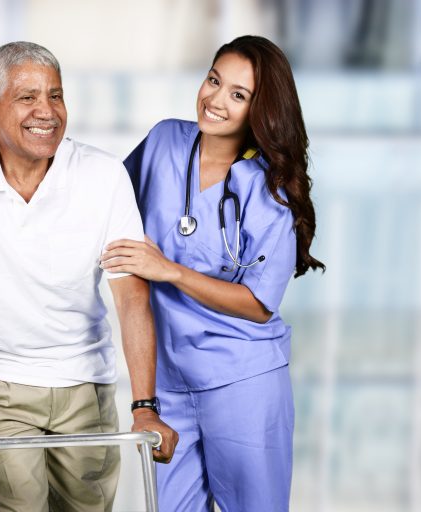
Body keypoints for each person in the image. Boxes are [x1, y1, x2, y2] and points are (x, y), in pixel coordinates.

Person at [0, 41, 177, 512]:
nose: (46, 111)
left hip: (85, 385)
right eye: (27, 97)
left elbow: (132, 299)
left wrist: (144, 407)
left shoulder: (103, 175)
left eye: (55, 95)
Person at [101, 35, 325, 511]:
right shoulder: (164, 141)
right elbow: (106, 202)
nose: (216, 100)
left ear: (259, 109)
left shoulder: (271, 188)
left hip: (243, 382)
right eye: (214, 80)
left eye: (238, 95)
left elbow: (260, 305)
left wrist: (171, 272)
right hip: (167, 382)